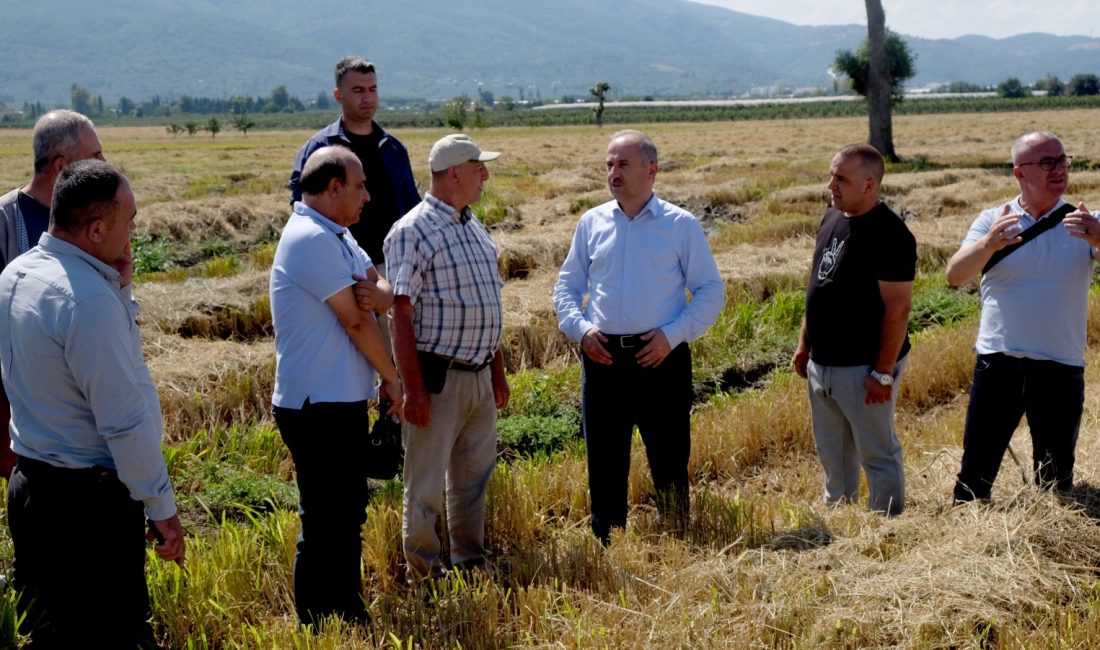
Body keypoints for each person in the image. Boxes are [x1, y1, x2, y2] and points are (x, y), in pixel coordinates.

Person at [0, 159, 185, 647]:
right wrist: (161, 507)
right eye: (130, 221)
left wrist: (119, 290)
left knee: (49, 632)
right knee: (111, 633)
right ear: (98, 228)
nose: (134, 232)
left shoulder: (17, 274)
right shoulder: (88, 301)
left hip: (31, 487)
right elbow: (124, 422)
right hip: (88, 509)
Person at [552, 129, 723, 544]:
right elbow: (566, 288)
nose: (613, 172)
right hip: (603, 358)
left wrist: (672, 336)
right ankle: (608, 544)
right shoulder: (590, 223)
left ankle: (678, 540)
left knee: (669, 457)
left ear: (652, 171)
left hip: (661, 357)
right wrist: (582, 330)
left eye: (623, 164)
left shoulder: (680, 225)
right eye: (609, 164)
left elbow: (710, 291)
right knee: (605, 461)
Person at [271, 146, 403, 626]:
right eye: (360, 185)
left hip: (337, 402)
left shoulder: (339, 235)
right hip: (316, 406)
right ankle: (319, 619)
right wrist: (392, 379)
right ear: (332, 189)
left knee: (346, 513)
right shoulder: (311, 239)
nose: (367, 195)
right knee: (327, 519)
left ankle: (345, 609)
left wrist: (382, 295)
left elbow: (377, 286)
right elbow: (355, 319)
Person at [946, 130, 1099, 502]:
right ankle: (968, 539)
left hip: (1060, 364)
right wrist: (989, 244)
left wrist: (1099, 238)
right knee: (975, 474)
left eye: (1063, 160)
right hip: (998, 362)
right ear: (1020, 173)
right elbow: (955, 275)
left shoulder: (1086, 221)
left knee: (1054, 482)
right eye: (1047, 162)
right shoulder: (993, 221)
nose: (1059, 169)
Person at [384, 134, 509, 580]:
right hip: (437, 381)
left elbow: (486, 303)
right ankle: (424, 571)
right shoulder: (412, 230)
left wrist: (497, 372)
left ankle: (469, 561)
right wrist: (411, 389)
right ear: (455, 172)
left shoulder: (473, 226)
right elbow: (400, 312)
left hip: (477, 376)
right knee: (425, 486)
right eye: (479, 168)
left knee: (473, 480)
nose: (485, 176)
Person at [792, 143, 915, 516]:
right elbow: (819, 283)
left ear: (869, 185)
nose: (831, 184)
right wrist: (804, 344)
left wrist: (882, 372)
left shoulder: (890, 234)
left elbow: (898, 309)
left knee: (876, 452)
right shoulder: (832, 217)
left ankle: (886, 524)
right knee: (833, 452)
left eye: (841, 178)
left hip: (863, 368)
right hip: (823, 363)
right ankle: (840, 516)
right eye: (831, 174)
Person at [289, 56, 420, 354]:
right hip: (341, 271)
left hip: (392, 271)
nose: (368, 97)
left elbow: (413, 209)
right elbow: (301, 209)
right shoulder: (320, 149)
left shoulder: (394, 149)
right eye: (358, 90)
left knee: (397, 357)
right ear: (339, 95)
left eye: (373, 89)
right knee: (352, 353)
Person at [0, 109, 105, 479]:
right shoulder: (5, 223)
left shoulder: (93, 223)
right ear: (62, 167)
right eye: (95, 157)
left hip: (82, 413)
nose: (105, 166)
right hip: (22, 418)